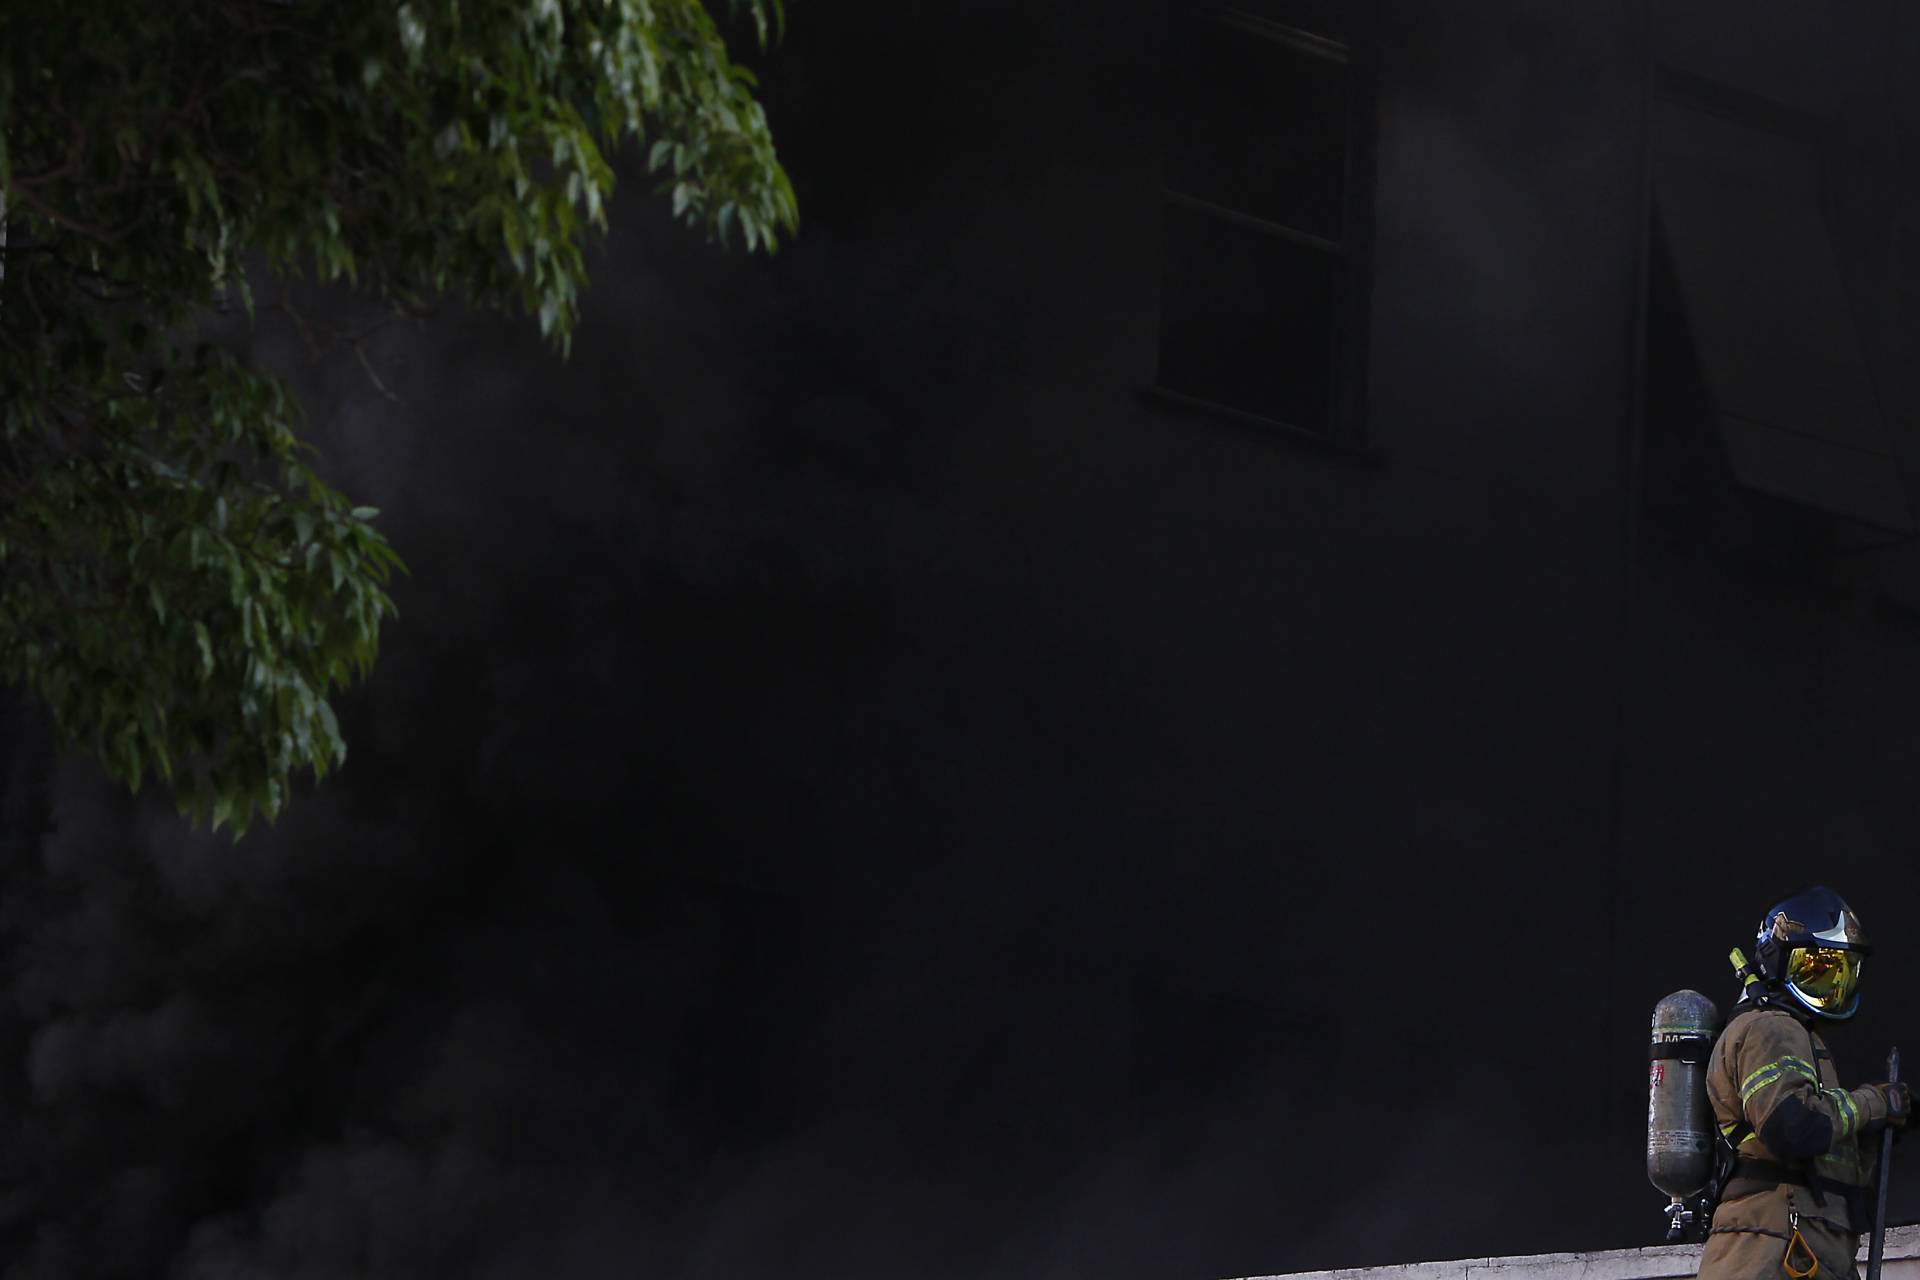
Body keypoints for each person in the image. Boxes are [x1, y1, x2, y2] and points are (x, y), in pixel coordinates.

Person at [1701, 886, 1911, 1280]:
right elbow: (1793, 1129)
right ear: (1776, 961)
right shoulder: (1769, 1028)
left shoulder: (1801, 1041)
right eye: (1814, 969)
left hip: (1805, 1254)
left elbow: (1823, 1165)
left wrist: (1873, 1132)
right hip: (1769, 1254)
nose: (1830, 986)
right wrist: (1874, 1104)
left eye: (1841, 973)